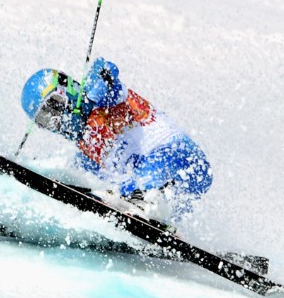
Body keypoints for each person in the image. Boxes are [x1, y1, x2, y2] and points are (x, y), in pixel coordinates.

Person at [21, 57, 212, 223]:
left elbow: (109, 73)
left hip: (186, 161)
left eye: (54, 107)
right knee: (79, 171)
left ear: (67, 90)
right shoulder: (87, 147)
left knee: (142, 179)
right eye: (45, 120)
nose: (57, 121)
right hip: (172, 191)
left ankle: (140, 202)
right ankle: (154, 217)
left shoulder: (101, 98)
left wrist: (102, 75)